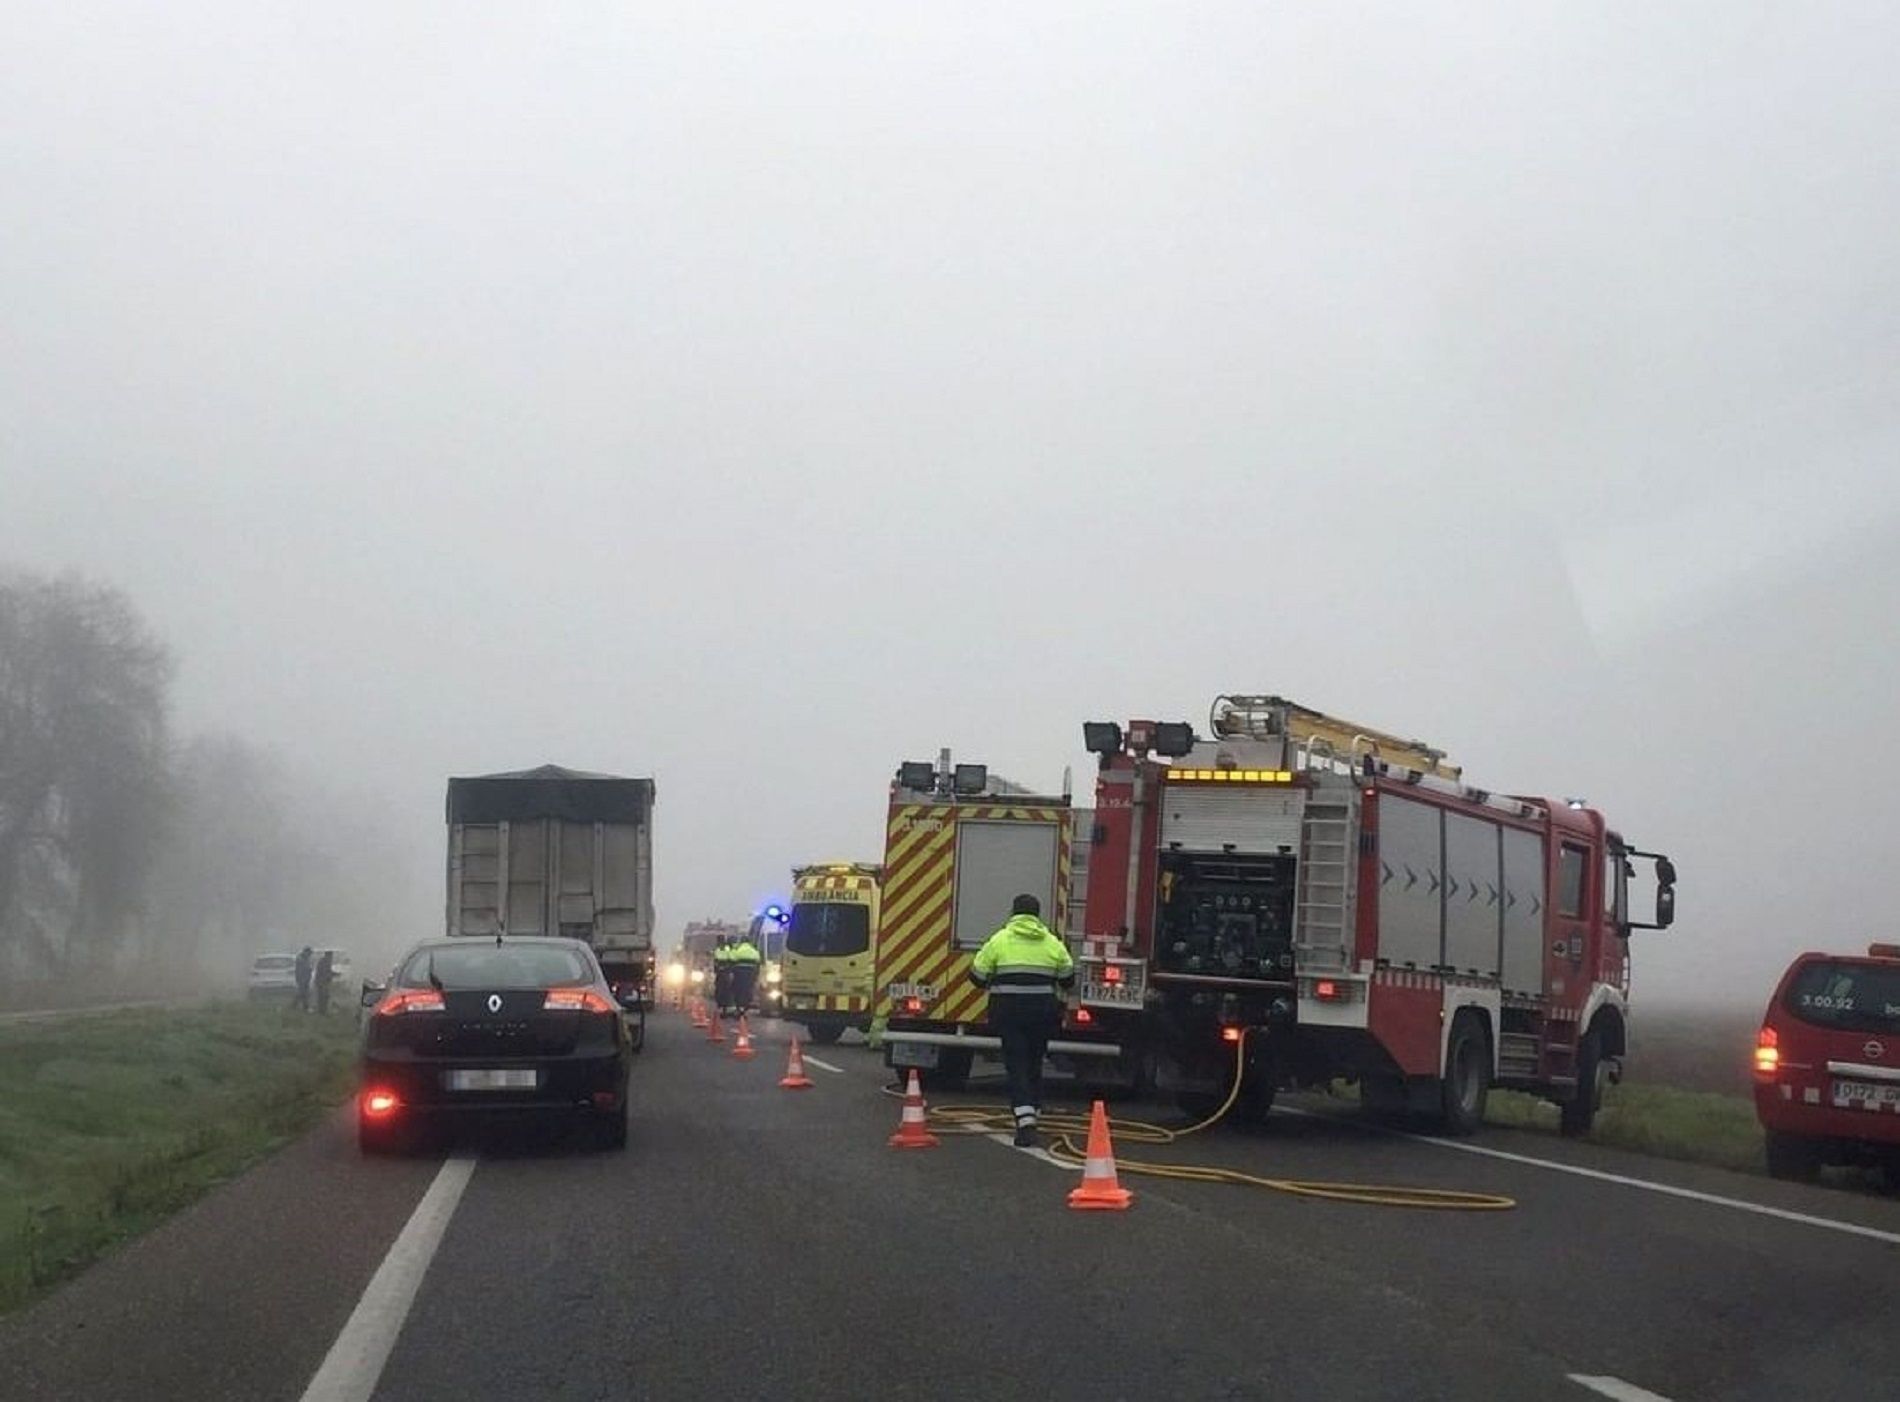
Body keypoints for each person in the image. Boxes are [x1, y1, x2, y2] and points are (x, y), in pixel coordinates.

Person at [970, 894, 1075, 1146]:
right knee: (1035, 1060)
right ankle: (1033, 1111)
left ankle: (1026, 1121)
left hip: (1008, 1011)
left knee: (1016, 1063)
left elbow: (976, 976)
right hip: (1042, 1012)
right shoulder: (1052, 942)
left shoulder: (999, 940)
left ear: (1013, 913)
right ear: (1037, 915)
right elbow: (1068, 978)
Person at [727, 932, 763, 1015]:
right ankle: (745, 1006)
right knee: (748, 989)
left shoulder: (738, 950)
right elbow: (758, 961)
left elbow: (732, 959)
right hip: (750, 973)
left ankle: (739, 1006)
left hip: (739, 973)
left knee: (737, 989)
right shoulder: (754, 950)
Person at [712, 937, 733, 1015]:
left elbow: (731, 960)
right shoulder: (717, 950)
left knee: (727, 989)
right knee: (719, 989)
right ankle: (720, 1005)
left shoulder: (727, 949)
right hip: (720, 973)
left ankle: (725, 1006)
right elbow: (715, 961)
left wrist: (728, 969)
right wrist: (717, 968)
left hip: (726, 972)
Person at [292, 945, 314, 1013]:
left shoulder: (305, 959)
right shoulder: (300, 959)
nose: (310, 955)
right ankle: (304, 1007)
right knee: (303, 993)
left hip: (305, 979)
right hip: (302, 979)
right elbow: (301, 970)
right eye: (309, 953)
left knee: (303, 994)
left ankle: (298, 1006)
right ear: (306, 952)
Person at [314, 949, 335, 1016]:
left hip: (323, 982)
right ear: (328, 955)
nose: (331, 958)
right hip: (322, 982)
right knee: (323, 997)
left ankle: (322, 1011)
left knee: (324, 997)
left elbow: (328, 971)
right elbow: (324, 973)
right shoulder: (324, 962)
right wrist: (331, 975)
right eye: (331, 956)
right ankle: (322, 1011)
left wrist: (333, 974)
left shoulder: (324, 961)